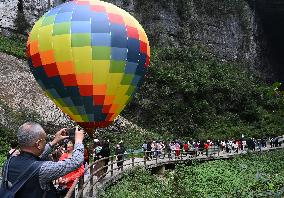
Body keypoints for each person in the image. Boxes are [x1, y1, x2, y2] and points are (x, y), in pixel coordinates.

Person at [1, 122, 84, 198]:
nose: (46, 141)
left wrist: (54, 142)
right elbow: (76, 161)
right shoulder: (43, 169)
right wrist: (79, 141)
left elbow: (35, 157)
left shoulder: (8, 162)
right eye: (45, 139)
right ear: (38, 144)